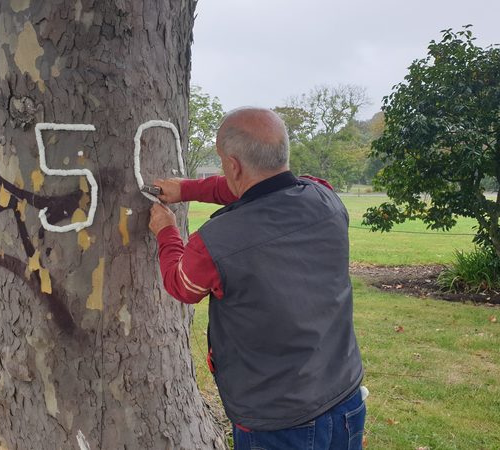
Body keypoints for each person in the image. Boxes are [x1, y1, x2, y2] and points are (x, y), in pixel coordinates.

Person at [148, 107, 366, 449]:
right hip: (345, 395)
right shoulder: (325, 198)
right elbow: (260, 186)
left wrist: (166, 232)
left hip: (276, 419)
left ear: (232, 165)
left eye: (223, 161)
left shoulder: (216, 242)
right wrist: (188, 189)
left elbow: (181, 284)